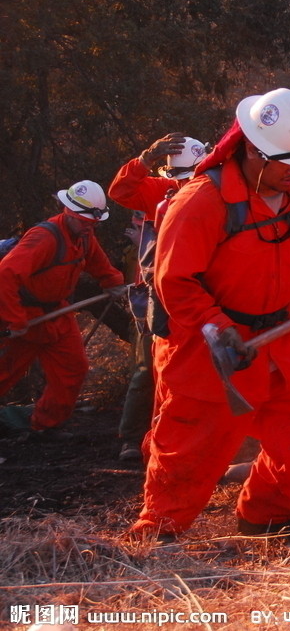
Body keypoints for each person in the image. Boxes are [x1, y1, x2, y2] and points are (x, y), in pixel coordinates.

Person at [128, 88, 290, 544]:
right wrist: (219, 328)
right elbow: (175, 283)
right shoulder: (200, 202)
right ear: (252, 149)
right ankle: (158, 535)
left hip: (285, 336)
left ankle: (267, 516)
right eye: (287, 163)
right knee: (189, 448)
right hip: (210, 343)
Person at [0, 181, 126, 438]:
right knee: (4, 373)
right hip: (27, 316)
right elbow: (5, 275)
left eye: (93, 222)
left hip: (58, 314)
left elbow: (97, 262)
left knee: (73, 369)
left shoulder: (84, 235)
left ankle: (44, 424)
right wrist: (15, 319)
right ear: (67, 211)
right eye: (83, 221)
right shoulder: (43, 238)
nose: (89, 226)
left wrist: (112, 282)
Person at [107, 133, 206, 462]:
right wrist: (144, 160)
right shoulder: (156, 191)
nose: (184, 184)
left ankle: (177, 435)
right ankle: (132, 438)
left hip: (194, 293)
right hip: (154, 294)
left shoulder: (213, 192)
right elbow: (119, 191)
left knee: (190, 368)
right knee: (146, 367)